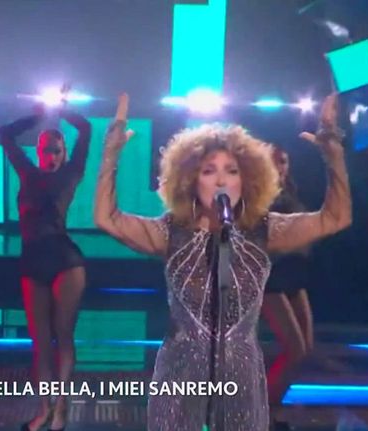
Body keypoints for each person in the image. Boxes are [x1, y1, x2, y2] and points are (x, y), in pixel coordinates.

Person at [94, 93, 351, 431]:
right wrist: (110, 155)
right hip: (180, 374)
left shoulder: (263, 230)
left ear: (247, 179)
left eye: (231, 171)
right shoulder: (171, 232)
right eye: (208, 171)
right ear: (189, 179)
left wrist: (333, 155)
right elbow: (107, 218)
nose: (220, 181)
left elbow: (335, 218)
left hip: (241, 376)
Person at [0, 105, 91, 431]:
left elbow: (85, 128)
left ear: (64, 153)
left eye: (57, 150)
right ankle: (44, 409)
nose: (51, 155)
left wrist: (61, 109)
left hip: (65, 259)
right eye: (46, 149)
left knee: (63, 335)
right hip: (33, 260)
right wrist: (38, 114)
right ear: (38, 151)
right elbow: (5, 134)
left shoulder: (72, 173)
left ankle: (61, 406)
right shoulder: (28, 172)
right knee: (40, 342)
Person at [261, 147, 315, 430]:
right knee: (295, 349)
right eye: (275, 161)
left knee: (305, 351)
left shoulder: (291, 194)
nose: (281, 166)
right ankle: (263, 413)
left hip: (295, 273)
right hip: (272, 276)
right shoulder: (256, 196)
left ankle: (271, 409)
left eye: (284, 161)